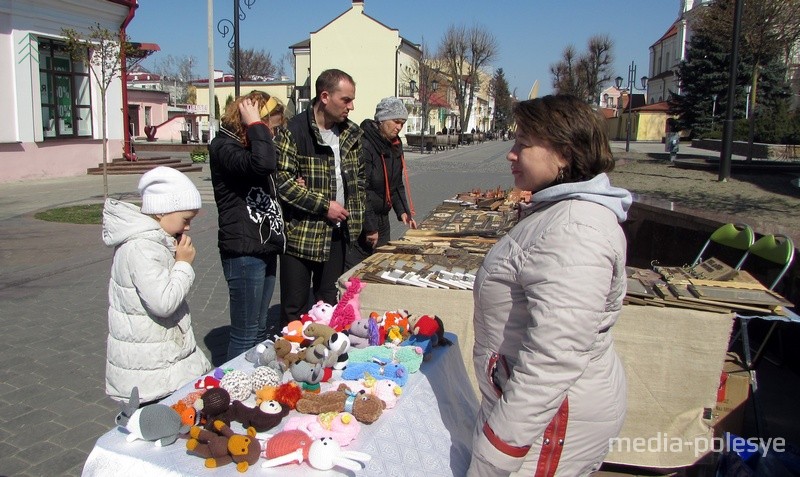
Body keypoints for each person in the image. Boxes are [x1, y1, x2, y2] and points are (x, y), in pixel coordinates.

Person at [468, 95, 631, 476]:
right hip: (536, 413)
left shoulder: (575, 231)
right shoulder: (563, 215)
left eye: (523, 144)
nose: (510, 154)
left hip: (549, 423)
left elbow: (553, 359)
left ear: (563, 155)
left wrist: (497, 451)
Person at [102, 166, 212, 403]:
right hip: (150, 370)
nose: (188, 227)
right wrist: (183, 264)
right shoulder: (142, 247)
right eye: (186, 219)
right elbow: (163, 303)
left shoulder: (153, 241)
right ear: (162, 211)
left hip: (155, 360)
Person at [275, 68, 367, 323]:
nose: (351, 106)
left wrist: (359, 225)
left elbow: (359, 182)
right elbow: (282, 182)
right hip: (301, 234)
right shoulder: (294, 130)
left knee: (329, 302)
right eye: (346, 100)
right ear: (325, 97)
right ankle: (291, 356)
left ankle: (326, 357)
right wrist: (324, 205)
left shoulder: (351, 133)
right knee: (294, 307)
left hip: (337, 233)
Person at [209, 90, 287, 361]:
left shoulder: (245, 145)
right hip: (243, 250)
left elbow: (265, 169)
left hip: (263, 244)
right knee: (244, 333)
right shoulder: (223, 146)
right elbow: (263, 164)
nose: (273, 136)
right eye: (271, 128)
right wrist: (256, 124)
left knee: (259, 329)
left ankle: (255, 382)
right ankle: (233, 388)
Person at [345, 96, 416, 269]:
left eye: (402, 123)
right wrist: (370, 227)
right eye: (396, 122)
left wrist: (404, 212)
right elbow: (362, 190)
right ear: (382, 120)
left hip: (383, 218)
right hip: (363, 221)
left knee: (380, 266)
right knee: (356, 272)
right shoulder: (365, 145)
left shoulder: (394, 145)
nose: (399, 127)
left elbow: (396, 183)